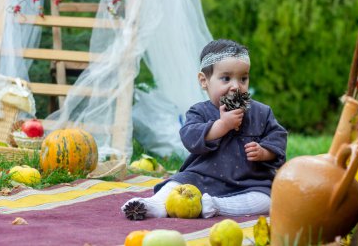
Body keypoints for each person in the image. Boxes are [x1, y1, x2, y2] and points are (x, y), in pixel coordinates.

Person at [122, 39, 287, 218]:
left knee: (266, 200)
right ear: (204, 81)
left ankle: (216, 206)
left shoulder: (261, 112)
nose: (236, 86)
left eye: (243, 78)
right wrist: (222, 125)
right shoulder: (199, 111)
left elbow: (277, 136)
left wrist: (264, 152)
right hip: (203, 176)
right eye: (226, 78)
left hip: (248, 181)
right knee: (177, 183)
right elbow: (189, 137)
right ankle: (156, 204)